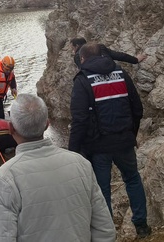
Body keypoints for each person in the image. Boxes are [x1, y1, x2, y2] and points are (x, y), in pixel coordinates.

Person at [0, 93, 116, 242]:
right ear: (47, 124)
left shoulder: (5, 178)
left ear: (10, 128)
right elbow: (105, 231)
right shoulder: (81, 164)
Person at [69, 43, 151, 238]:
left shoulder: (82, 81)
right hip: (124, 141)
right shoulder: (121, 74)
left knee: (102, 191)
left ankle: (107, 235)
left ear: (82, 59)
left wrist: (73, 152)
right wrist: (131, 134)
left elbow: (79, 120)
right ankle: (142, 227)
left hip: (98, 147)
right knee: (132, 179)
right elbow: (137, 109)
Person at [70, 37, 148, 69]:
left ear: (77, 46)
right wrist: (135, 60)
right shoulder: (99, 46)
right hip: (113, 75)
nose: (72, 51)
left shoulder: (78, 56)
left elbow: (84, 72)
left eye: (72, 48)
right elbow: (118, 55)